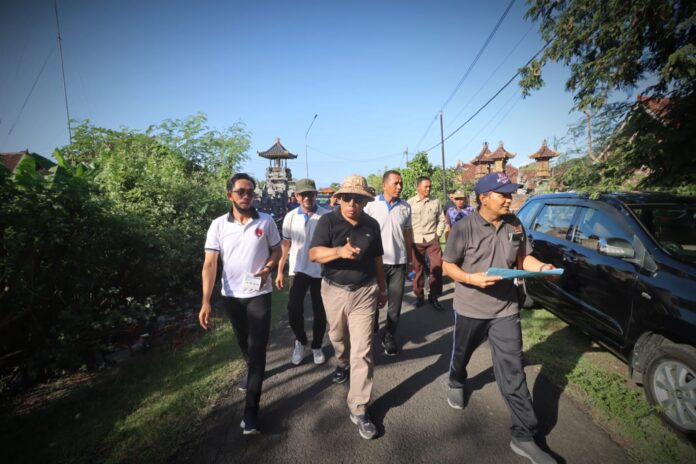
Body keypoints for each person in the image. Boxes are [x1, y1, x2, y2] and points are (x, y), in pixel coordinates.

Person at [442, 172, 557, 464]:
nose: (509, 199)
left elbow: (523, 258)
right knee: (462, 353)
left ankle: (524, 435)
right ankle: (456, 381)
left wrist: (542, 268)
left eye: (510, 193)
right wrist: (471, 278)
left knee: (513, 370)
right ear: (483, 198)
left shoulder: (515, 224)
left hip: (505, 309)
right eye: (502, 194)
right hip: (470, 308)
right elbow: (448, 265)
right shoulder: (463, 228)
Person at [198, 173, 281, 436]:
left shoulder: (266, 221)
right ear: (229, 195)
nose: (246, 196)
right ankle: (252, 368)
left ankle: (251, 412)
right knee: (243, 342)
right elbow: (210, 264)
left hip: (259, 293)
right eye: (241, 191)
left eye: (250, 191)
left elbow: (277, 250)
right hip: (231, 295)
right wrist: (206, 301)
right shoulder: (218, 225)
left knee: (257, 349)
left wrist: (268, 268)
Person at [309, 174, 387, 440]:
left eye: (358, 199)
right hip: (334, 291)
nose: (352, 203)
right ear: (339, 199)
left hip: (365, 291)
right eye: (347, 198)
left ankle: (359, 408)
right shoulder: (327, 222)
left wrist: (382, 289)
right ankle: (341, 362)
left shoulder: (371, 225)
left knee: (362, 351)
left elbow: (377, 259)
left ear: (365, 202)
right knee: (338, 338)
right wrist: (339, 252)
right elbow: (314, 254)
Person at [275, 178, 330, 365]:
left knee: (320, 311)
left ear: (316, 195)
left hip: (320, 270)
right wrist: (280, 270)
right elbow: (285, 245)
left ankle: (317, 345)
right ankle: (300, 340)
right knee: (293, 309)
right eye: (303, 194)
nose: (307, 198)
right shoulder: (290, 217)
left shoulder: (325, 216)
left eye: (311, 194)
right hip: (297, 269)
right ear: (297, 196)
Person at [364, 170, 413, 356]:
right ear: (384, 185)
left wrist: (410, 259)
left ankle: (389, 335)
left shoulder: (405, 207)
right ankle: (372, 326)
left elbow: (408, 234)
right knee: (373, 299)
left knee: (395, 303)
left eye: (401, 183)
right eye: (395, 183)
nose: (399, 187)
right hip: (375, 262)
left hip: (398, 263)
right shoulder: (371, 206)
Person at [407, 176, 446, 311]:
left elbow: (442, 219)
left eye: (430, 186)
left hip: (432, 239)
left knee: (436, 268)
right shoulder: (410, 203)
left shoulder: (436, 201)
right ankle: (419, 296)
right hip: (416, 240)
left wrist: (438, 234)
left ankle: (434, 296)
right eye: (425, 186)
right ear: (418, 187)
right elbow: (406, 223)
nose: (428, 189)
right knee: (418, 270)